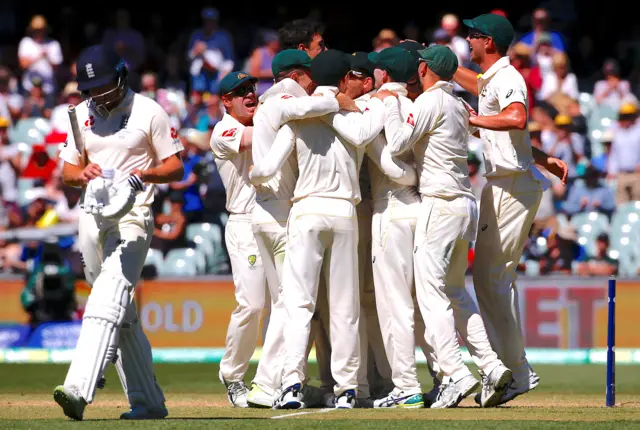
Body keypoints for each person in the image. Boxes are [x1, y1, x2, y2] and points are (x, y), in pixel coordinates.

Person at [53, 44, 184, 420]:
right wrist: (83, 174)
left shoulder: (149, 112)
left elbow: (175, 166)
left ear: (123, 76)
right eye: (92, 89)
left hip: (134, 214)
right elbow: (68, 172)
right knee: (121, 313)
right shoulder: (80, 114)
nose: (99, 95)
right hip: (92, 214)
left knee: (107, 295)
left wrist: (143, 175)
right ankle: (148, 402)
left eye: (106, 86)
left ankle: (79, 389)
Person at [250, 49, 386, 409]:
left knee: (298, 303)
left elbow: (264, 170)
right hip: (344, 213)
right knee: (345, 307)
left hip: (306, 210)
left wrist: (253, 177)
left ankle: (292, 384)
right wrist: (345, 104)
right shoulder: (356, 116)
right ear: (345, 81)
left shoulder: (299, 119)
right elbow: (363, 133)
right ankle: (347, 389)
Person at [382, 44, 512, 408]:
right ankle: (491, 365)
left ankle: (456, 373)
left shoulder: (429, 102)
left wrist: (391, 102)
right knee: (455, 291)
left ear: (424, 69)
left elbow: (395, 145)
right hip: (464, 204)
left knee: (431, 294)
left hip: (439, 204)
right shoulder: (457, 103)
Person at [452, 14, 568, 405]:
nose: (468, 41)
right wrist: (544, 159)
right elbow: (514, 136)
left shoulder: (509, 78)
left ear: (489, 42)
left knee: (492, 281)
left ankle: (517, 371)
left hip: (511, 187)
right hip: (507, 181)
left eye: (473, 36)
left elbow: (517, 118)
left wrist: (475, 119)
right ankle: (514, 368)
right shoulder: (493, 79)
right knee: (491, 281)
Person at [247, 49, 347, 407]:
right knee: (292, 303)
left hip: (266, 211)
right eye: (309, 75)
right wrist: (339, 96)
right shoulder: (284, 95)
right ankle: (268, 385)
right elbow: (304, 109)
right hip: (279, 213)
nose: (312, 82)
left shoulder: (267, 102)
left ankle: (272, 383)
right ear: (296, 74)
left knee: (286, 302)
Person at [356, 47, 425, 409]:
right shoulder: (420, 104)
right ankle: (445, 379)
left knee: (393, 304)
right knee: (424, 302)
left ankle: (407, 386)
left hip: (392, 212)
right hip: (421, 209)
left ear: (382, 73)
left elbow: (394, 169)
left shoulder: (376, 104)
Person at [210, 71, 267, 408]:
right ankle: (232, 375)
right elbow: (252, 139)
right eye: (240, 92)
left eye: (252, 89)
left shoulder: (261, 117)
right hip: (244, 223)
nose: (249, 95)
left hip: (274, 219)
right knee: (252, 303)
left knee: (285, 304)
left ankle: (278, 380)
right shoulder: (224, 130)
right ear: (226, 101)